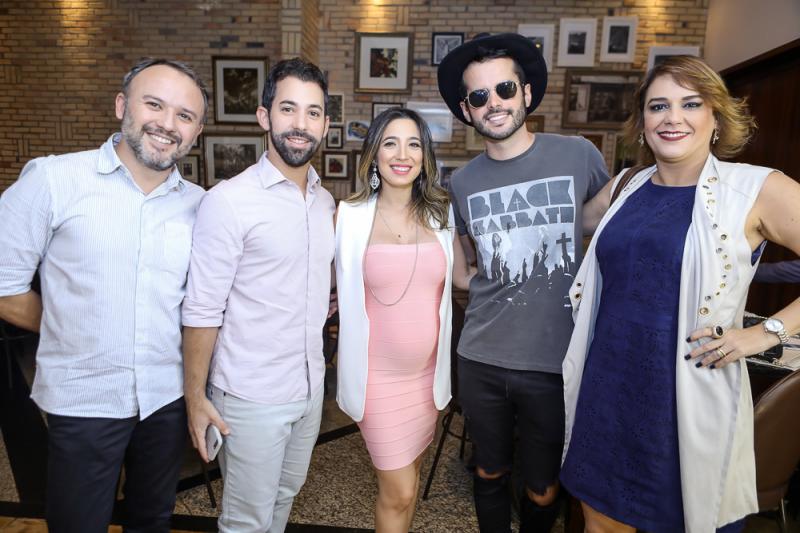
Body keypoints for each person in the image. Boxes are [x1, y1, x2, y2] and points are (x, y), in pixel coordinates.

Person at [560, 55, 800, 533]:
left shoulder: (755, 188)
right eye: (658, 106)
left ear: (717, 117)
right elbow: (558, 223)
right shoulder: (625, 186)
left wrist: (765, 333)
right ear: (642, 121)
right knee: (601, 523)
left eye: (691, 104)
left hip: (685, 396)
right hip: (606, 385)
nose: (673, 118)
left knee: (684, 519)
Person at [0, 58, 207, 532]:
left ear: (196, 131)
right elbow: (4, 288)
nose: (167, 124)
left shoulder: (200, 206)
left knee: (152, 521)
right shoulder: (54, 180)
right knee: (78, 524)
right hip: (85, 396)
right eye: (154, 105)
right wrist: (71, 323)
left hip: (166, 397)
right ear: (121, 106)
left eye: (184, 115)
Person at [436, 33, 610, 533]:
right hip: (481, 357)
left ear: (527, 93)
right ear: (467, 111)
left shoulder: (577, 155)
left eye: (505, 89)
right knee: (488, 471)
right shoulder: (462, 182)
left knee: (543, 486)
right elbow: (467, 263)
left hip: (555, 360)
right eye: (479, 96)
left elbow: (609, 226)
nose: (494, 103)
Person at [181, 57, 335, 533]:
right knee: (246, 520)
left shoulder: (324, 201)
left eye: (313, 112)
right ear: (265, 117)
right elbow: (201, 310)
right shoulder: (229, 201)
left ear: (325, 125)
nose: (300, 124)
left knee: (284, 499)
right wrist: (195, 397)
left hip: (309, 388)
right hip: (250, 395)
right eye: (288, 109)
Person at [335, 107, 473, 532]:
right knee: (400, 492)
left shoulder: (440, 214)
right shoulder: (348, 216)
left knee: (408, 485)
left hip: (427, 379)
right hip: (377, 381)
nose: (402, 154)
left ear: (425, 156)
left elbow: (463, 278)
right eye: (390, 143)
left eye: (413, 144)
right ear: (374, 154)